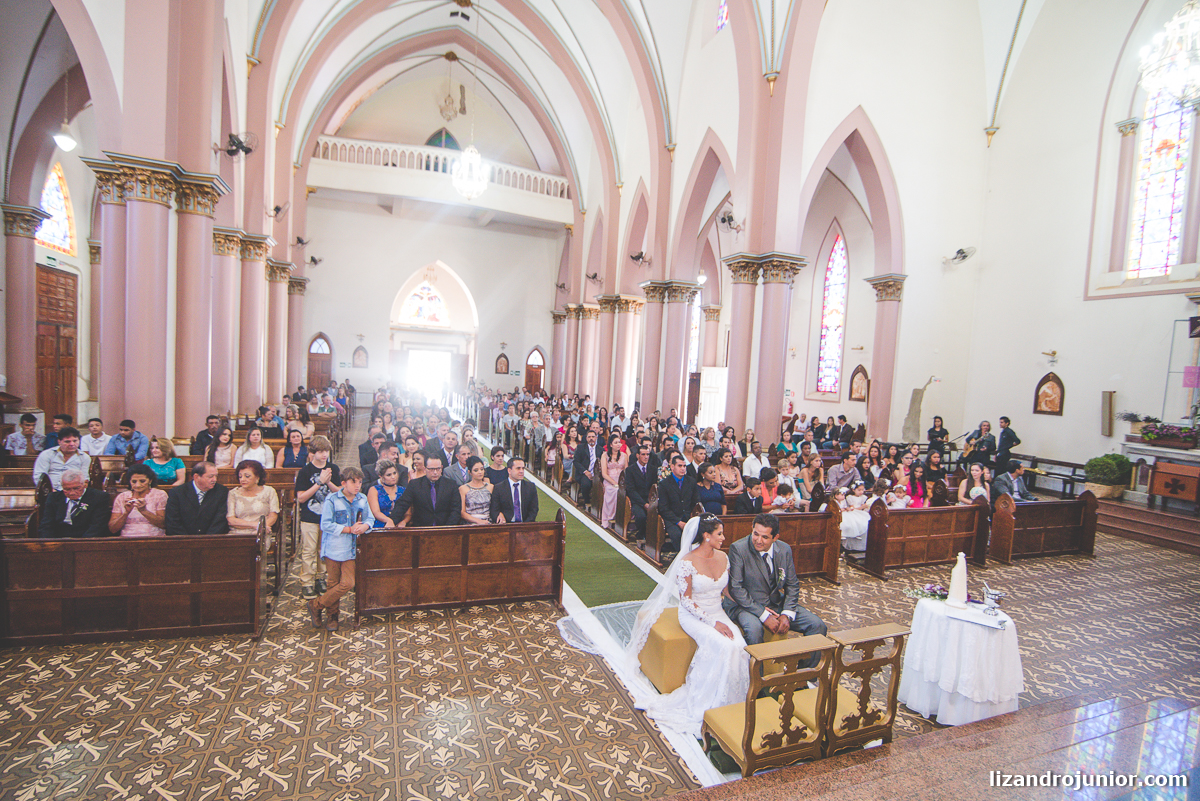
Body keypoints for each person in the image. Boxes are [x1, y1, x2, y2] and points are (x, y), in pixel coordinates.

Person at [629, 515, 750, 738]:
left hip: (717, 611)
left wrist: (751, 606)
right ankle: (709, 704)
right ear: (706, 536)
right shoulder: (687, 562)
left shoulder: (724, 557)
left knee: (739, 646)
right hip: (694, 615)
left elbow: (725, 591)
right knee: (723, 646)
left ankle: (732, 703)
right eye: (719, 534)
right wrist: (713, 624)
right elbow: (686, 601)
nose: (724, 538)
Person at [723, 513, 828, 659]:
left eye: (765, 537)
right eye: (755, 534)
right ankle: (757, 679)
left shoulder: (784, 549)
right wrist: (763, 615)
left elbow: (792, 584)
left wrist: (786, 613)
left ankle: (805, 677)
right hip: (746, 605)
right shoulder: (739, 549)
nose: (758, 540)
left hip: (776, 603)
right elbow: (736, 588)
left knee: (817, 625)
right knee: (754, 630)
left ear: (775, 537)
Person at [308, 466, 371, 632]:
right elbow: (326, 524)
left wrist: (365, 526)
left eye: (359, 482)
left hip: (350, 550)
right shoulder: (332, 499)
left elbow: (369, 518)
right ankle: (332, 615)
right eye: (353, 482)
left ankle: (316, 604)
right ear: (343, 483)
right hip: (334, 548)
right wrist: (348, 529)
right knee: (333, 583)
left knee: (348, 582)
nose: (357, 486)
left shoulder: (362, 499)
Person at [295, 435, 339, 598]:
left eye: (326, 451)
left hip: (328, 517)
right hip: (309, 517)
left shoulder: (332, 468)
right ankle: (307, 581)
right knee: (309, 550)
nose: (324, 455)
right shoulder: (305, 472)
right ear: (312, 452)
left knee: (323, 549)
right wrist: (319, 483)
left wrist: (328, 482)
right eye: (320, 451)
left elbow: (339, 493)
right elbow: (301, 498)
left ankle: (321, 578)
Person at [37, 469, 113, 538]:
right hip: (58, 541)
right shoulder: (53, 498)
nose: (72, 493)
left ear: (85, 484)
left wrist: (80, 544)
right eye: (67, 489)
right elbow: (46, 525)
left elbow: (97, 526)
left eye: (76, 488)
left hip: (85, 541)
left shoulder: (99, 497)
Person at [391, 454, 461, 527]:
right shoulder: (415, 484)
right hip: (421, 529)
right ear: (425, 469)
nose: (435, 472)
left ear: (442, 468)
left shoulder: (451, 484)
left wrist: (448, 528)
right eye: (431, 469)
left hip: (445, 528)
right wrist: (392, 521)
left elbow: (456, 509)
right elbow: (402, 504)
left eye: (438, 469)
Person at [164, 462, 230, 536]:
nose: (214, 480)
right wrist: (188, 541)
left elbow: (220, 520)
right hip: (183, 541)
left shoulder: (222, 491)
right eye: (210, 476)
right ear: (196, 477)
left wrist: (207, 540)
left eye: (216, 476)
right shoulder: (177, 493)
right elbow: (172, 521)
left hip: (212, 540)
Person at [108, 464, 168, 537]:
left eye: (142, 481)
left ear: (150, 481)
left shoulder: (159, 495)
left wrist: (143, 511)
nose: (138, 485)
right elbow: (113, 529)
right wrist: (126, 512)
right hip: (127, 539)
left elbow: (163, 524)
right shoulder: (122, 497)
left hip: (154, 538)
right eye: (134, 481)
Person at [657, 454, 699, 552]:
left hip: (689, 517)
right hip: (672, 519)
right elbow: (663, 508)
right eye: (679, 466)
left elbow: (695, 502)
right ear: (672, 467)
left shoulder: (691, 482)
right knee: (677, 535)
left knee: (698, 534)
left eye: (684, 466)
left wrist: (691, 519)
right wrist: (678, 522)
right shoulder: (664, 484)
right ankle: (682, 557)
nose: (683, 469)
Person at [226, 460, 280, 535]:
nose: (242, 479)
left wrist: (261, 528)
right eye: (240, 476)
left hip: (262, 532)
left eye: (247, 476)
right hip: (237, 533)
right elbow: (231, 520)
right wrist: (256, 525)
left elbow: (273, 516)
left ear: (257, 477)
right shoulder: (233, 493)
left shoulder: (269, 491)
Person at [489, 456, 539, 524]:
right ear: (509, 470)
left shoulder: (530, 487)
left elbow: (534, 509)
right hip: (506, 525)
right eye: (518, 468)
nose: (521, 471)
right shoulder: (499, 488)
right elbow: (494, 510)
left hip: (526, 525)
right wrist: (499, 516)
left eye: (523, 468)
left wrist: (525, 525)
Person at [623, 445, 655, 540]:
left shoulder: (652, 469)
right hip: (637, 501)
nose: (646, 457)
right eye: (643, 454)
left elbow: (654, 486)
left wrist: (651, 502)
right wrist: (644, 504)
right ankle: (641, 535)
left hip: (650, 500)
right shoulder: (630, 470)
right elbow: (631, 490)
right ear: (637, 455)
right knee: (641, 516)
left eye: (648, 454)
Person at [599, 435, 627, 528]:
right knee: (614, 491)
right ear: (611, 445)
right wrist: (615, 483)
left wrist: (622, 482)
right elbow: (604, 474)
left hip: (621, 480)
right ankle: (610, 517)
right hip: (609, 480)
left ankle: (622, 517)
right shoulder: (605, 455)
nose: (618, 444)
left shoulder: (624, 455)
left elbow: (626, 471)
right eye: (616, 442)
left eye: (619, 442)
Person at [367, 459, 405, 528]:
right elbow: (375, 512)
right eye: (389, 475)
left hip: (400, 527)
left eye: (394, 473)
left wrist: (404, 521)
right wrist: (389, 521)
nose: (393, 477)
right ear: (380, 476)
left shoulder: (403, 490)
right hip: (380, 527)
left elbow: (408, 513)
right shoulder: (374, 490)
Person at [459, 456, 494, 525]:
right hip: (470, 524)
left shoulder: (490, 487)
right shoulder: (463, 489)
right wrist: (478, 521)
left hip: (488, 522)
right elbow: (462, 512)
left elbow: (495, 508)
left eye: (482, 469)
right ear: (470, 472)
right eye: (476, 470)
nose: (480, 472)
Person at [573, 429, 602, 507]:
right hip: (584, 473)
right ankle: (587, 501)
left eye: (593, 436)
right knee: (586, 484)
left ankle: (599, 503)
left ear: (596, 438)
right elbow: (576, 462)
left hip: (597, 474)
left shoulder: (600, 450)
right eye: (589, 437)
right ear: (586, 438)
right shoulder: (580, 448)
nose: (591, 438)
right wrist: (585, 472)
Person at [839, 481, 871, 551]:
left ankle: (860, 535)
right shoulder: (850, 497)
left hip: (861, 512)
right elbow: (853, 508)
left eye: (862, 490)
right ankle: (853, 534)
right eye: (859, 490)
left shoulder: (863, 497)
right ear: (853, 490)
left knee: (865, 520)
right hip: (854, 511)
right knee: (853, 522)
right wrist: (862, 507)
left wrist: (864, 507)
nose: (861, 492)